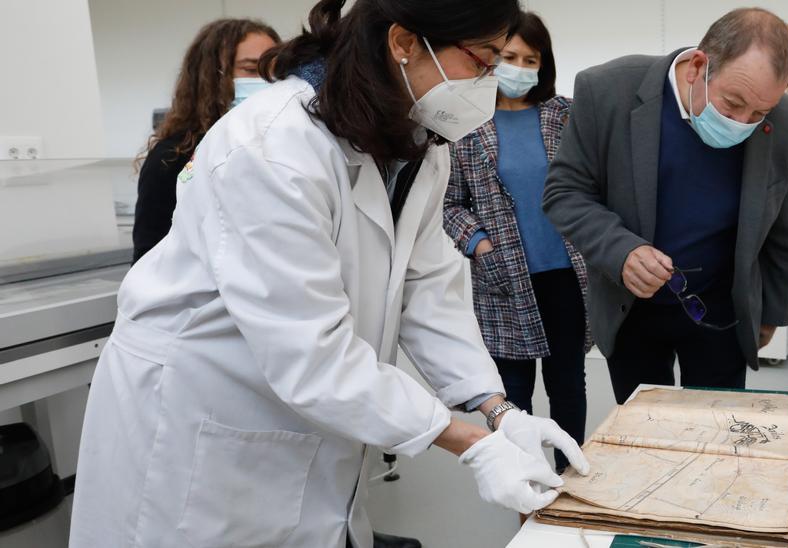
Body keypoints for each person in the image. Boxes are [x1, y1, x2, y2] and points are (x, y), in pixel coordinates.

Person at [69, 1, 588, 547]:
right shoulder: (273, 146)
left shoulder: (417, 143)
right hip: (203, 413)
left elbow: (428, 289)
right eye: (482, 60)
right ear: (404, 43)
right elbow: (310, 350)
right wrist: (468, 441)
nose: (488, 82)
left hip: (303, 414)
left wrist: (498, 409)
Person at [543, 8, 788, 404]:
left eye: (759, 113)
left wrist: (772, 311)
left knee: (719, 423)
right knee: (644, 427)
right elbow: (565, 192)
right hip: (631, 305)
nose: (742, 122)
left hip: (722, 307)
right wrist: (622, 251)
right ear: (698, 67)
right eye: (732, 103)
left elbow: (785, 226)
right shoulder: (607, 91)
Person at [443, 12, 589, 474]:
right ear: (490, 58)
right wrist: (480, 244)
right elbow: (449, 203)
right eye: (509, 57)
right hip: (503, 280)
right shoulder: (464, 124)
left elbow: (591, 184)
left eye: (531, 59)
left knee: (569, 385)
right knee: (513, 394)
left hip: (565, 275)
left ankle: (570, 481)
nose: (520, 68)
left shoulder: (565, 115)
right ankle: (525, 488)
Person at [132, 19, 280, 263]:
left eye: (276, 69)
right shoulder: (173, 156)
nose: (268, 80)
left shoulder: (280, 146)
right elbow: (148, 256)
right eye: (251, 69)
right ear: (212, 76)